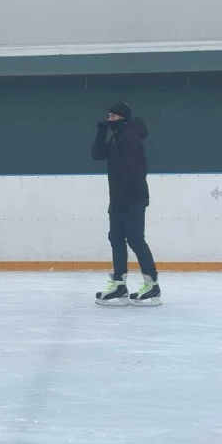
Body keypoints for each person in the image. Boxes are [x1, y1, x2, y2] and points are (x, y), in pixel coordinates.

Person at [92, 102, 162, 306]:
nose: (109, 119)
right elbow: (97, 155)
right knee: (115, 238)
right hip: (118, 198)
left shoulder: (130, 137)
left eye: (112, 117)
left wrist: (124, 199)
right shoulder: (117, 136)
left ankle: (152, 286)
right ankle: (119, 285)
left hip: (132, 198)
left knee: (136, 240)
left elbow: (132, 171)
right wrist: (101, 133)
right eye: (108, 116)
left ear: (122, 118)